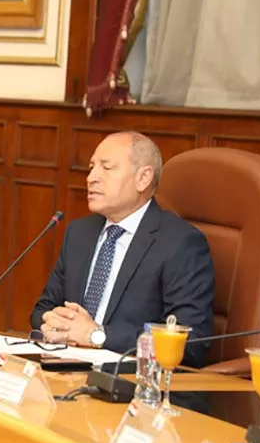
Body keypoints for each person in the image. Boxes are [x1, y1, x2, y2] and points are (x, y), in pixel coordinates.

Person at [29, 131, 214, 367]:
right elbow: (42, 309)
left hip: (130, 378)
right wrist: (52, 321)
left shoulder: (180, 243)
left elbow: (190, 343)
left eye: (107, 168)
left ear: (143, 178)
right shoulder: (79, 233)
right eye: (91, 167)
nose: (91, 178)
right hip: (65, 368)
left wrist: (97, 335)